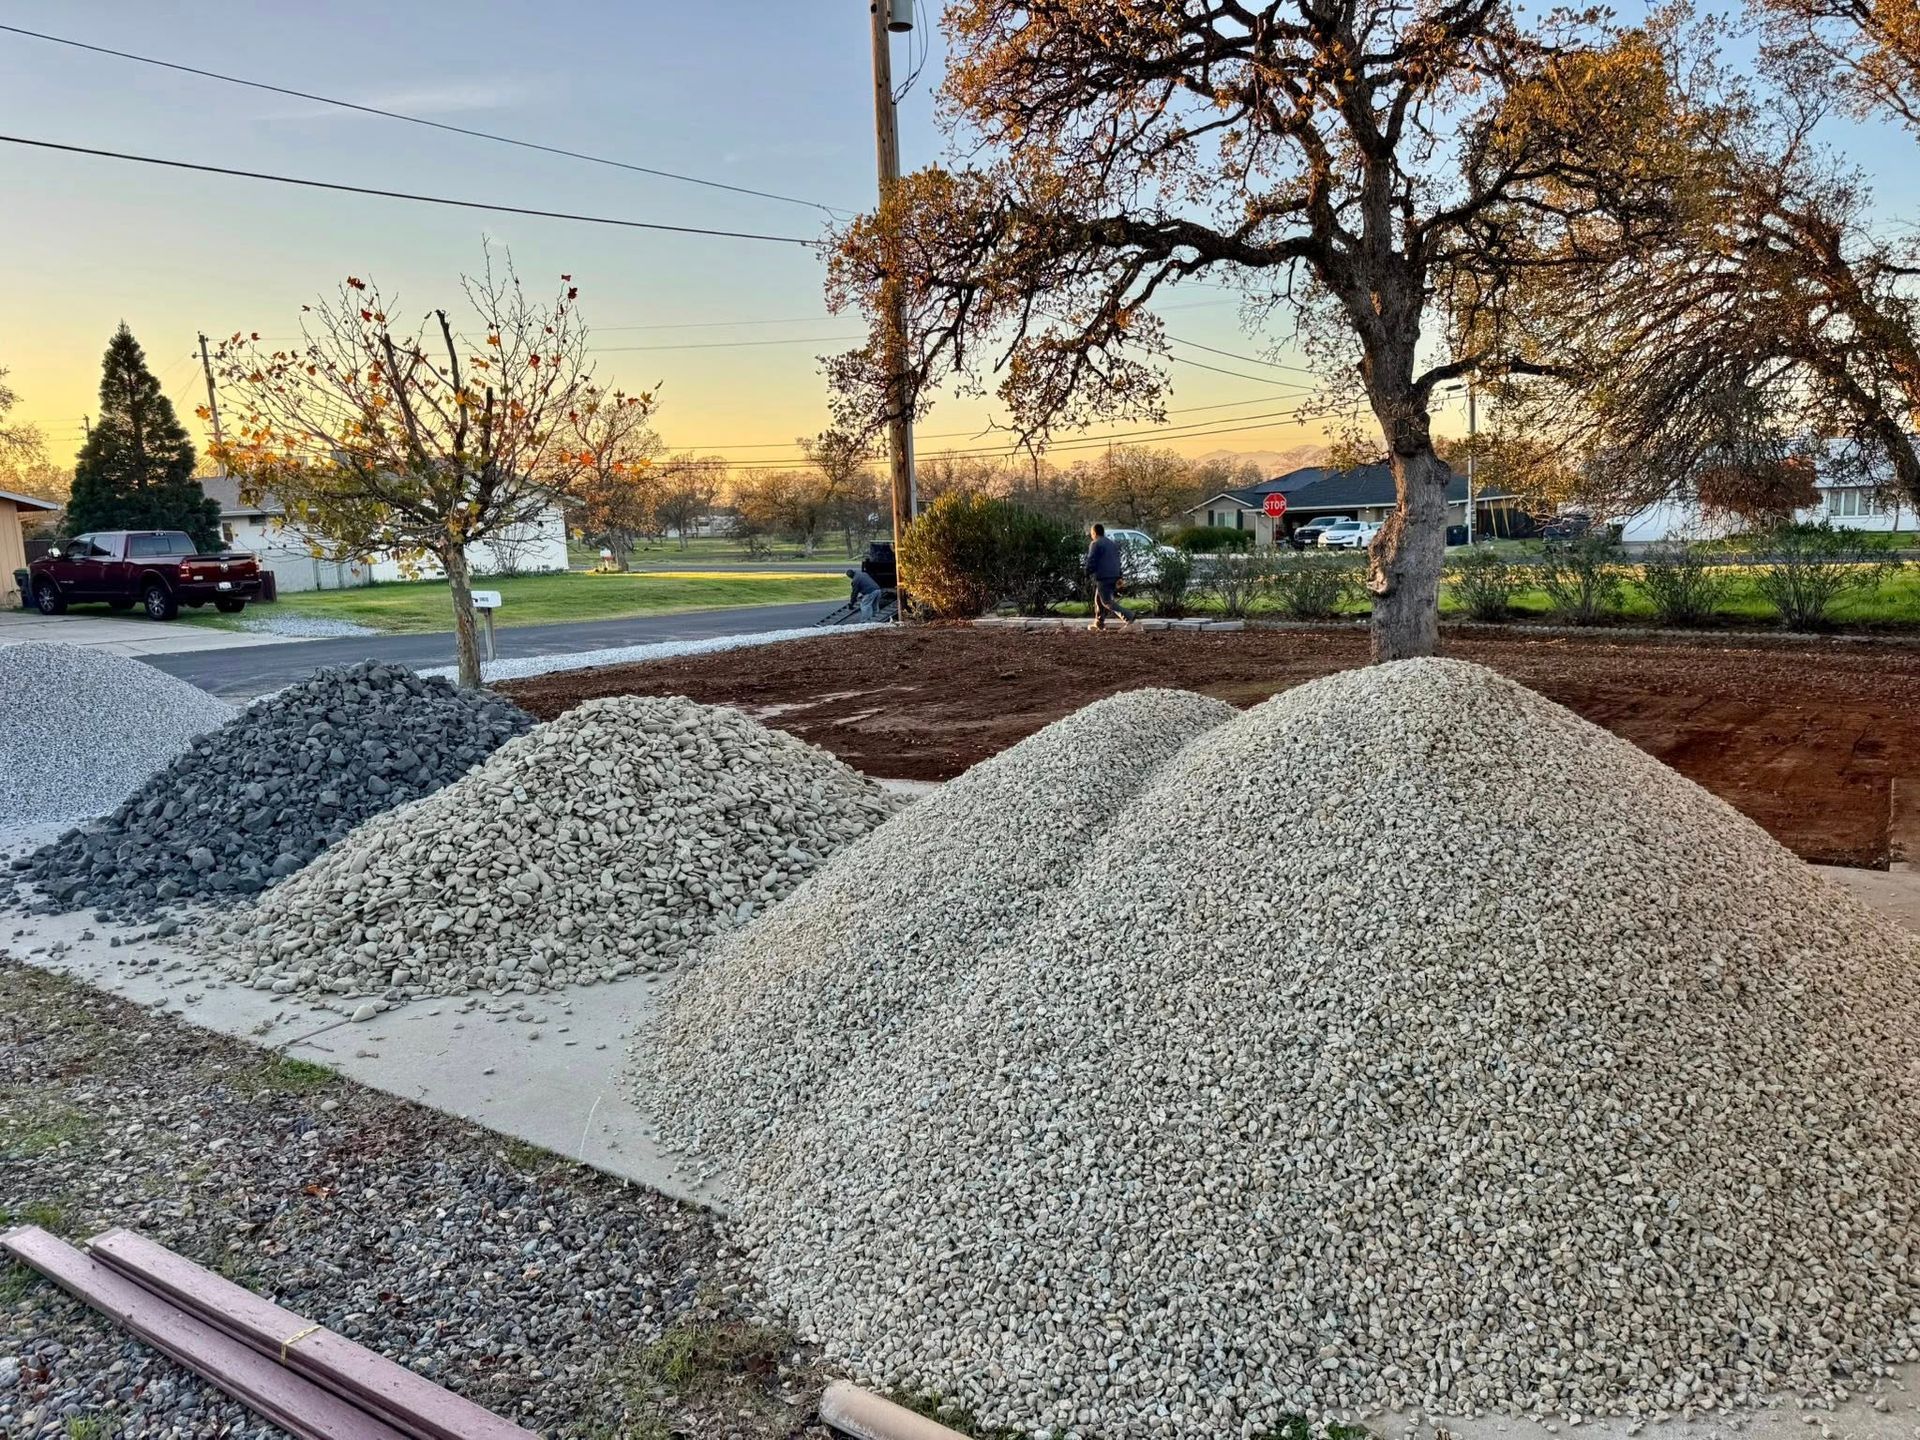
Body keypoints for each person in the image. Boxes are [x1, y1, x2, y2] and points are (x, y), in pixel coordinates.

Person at [1083, 522, 1133, 630]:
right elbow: (1117, 560)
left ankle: (1129, 617)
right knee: (1098, 599)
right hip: (1114, 574)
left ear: (1094, 533)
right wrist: (1119, 575)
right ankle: (1099, 622)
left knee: (1106, 602)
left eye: (1091, 533)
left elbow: (1091, 560)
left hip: (1103, 576)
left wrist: (1086, 573)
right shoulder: (1111, 543)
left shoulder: (1095, 544)